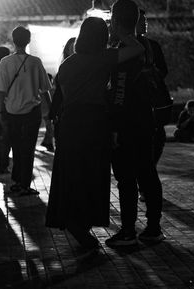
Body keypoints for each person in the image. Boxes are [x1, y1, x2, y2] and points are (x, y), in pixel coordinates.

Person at [45, 17, 145, 249]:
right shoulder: (104, 58)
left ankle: (73, 219)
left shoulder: (67, 64)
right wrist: (120, 31)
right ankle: (84, 221)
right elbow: (137, 49)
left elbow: (64, 96)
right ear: (102, 37)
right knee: (93, 173)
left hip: (71, 121)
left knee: (71, 171)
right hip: (95, 120)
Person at [106, 0, 165, 247]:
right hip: (146, 118)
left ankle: (128, 230)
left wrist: (115, 127)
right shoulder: (149, 46)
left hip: (127, 122)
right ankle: (153, 227)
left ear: (116, 21)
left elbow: (119, 90)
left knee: (127, 178)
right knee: (148, 173)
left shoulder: (125, 50)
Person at [0, 26, 52, 195]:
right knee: (28, 148)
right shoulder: (35, 62)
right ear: (28, 41)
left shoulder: (5, 62)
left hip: (11, 112)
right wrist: (52, 110)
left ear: (13, 40)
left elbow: (1, 91)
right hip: (32, 112)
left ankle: (18, 180)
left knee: (17, 147)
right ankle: (24, 184)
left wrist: (0, 112)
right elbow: (45, 89)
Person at [136, 9, 169, 202]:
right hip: (144, 106)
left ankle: (145, 181)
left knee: (157, 141)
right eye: (142, 20)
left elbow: (164, 70)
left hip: (153, 103)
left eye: (146, 20)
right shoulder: (123, 47)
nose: (146, 23)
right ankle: (145, 182)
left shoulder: (153, 46)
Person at [49, 37, 76, 143]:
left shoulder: (65, 67)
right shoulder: (64, 67)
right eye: (71, 49)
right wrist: (53, 112)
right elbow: (58, 93)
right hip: (64, 112)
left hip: (71, 111)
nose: (74, 51)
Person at [0, 46, 12, 174]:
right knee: (7, 138)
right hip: (7, 108)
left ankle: (2, 163)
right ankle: (4, 165)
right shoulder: (9, 70)